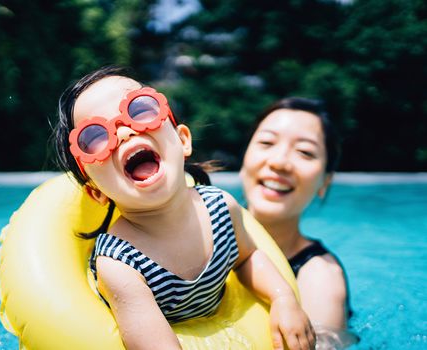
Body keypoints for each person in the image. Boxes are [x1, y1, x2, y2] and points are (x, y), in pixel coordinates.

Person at [54, 66, 315, 350]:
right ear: (96, 192)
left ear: (182, 140)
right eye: (95, 137)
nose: (126, 132)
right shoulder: (119, 263)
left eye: (139, 109)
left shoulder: (221, 208)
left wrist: (282, 299)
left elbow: (247, 258)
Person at [240, 97, 355, 346]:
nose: (279, 162)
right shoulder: (195, 227)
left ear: (325, 181)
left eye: (305, 151)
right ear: (245, 157)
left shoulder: (320, 277)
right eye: (267, 142)